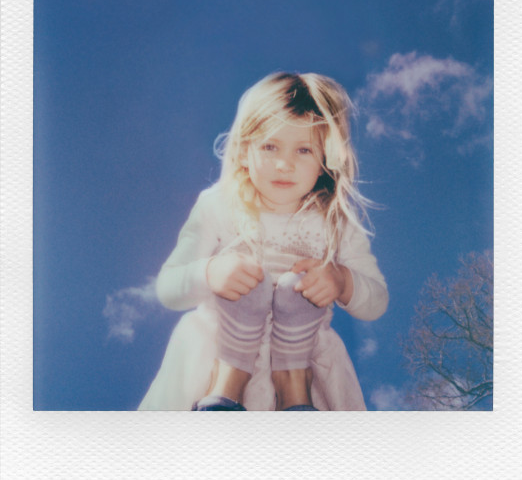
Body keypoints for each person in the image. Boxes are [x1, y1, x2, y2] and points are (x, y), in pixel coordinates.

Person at [138, 72, 388, 411]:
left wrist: (342, 280)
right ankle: (223, 392)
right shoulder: (218, 206)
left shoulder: (335, 221)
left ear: (324, 162)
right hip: (215, 354)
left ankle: (294, 396)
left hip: (304, 361)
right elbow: (169, 286)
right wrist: (210, 272)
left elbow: (376, 302)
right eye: (270, 146)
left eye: (304, 150)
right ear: (244, 151)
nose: (284, 164)